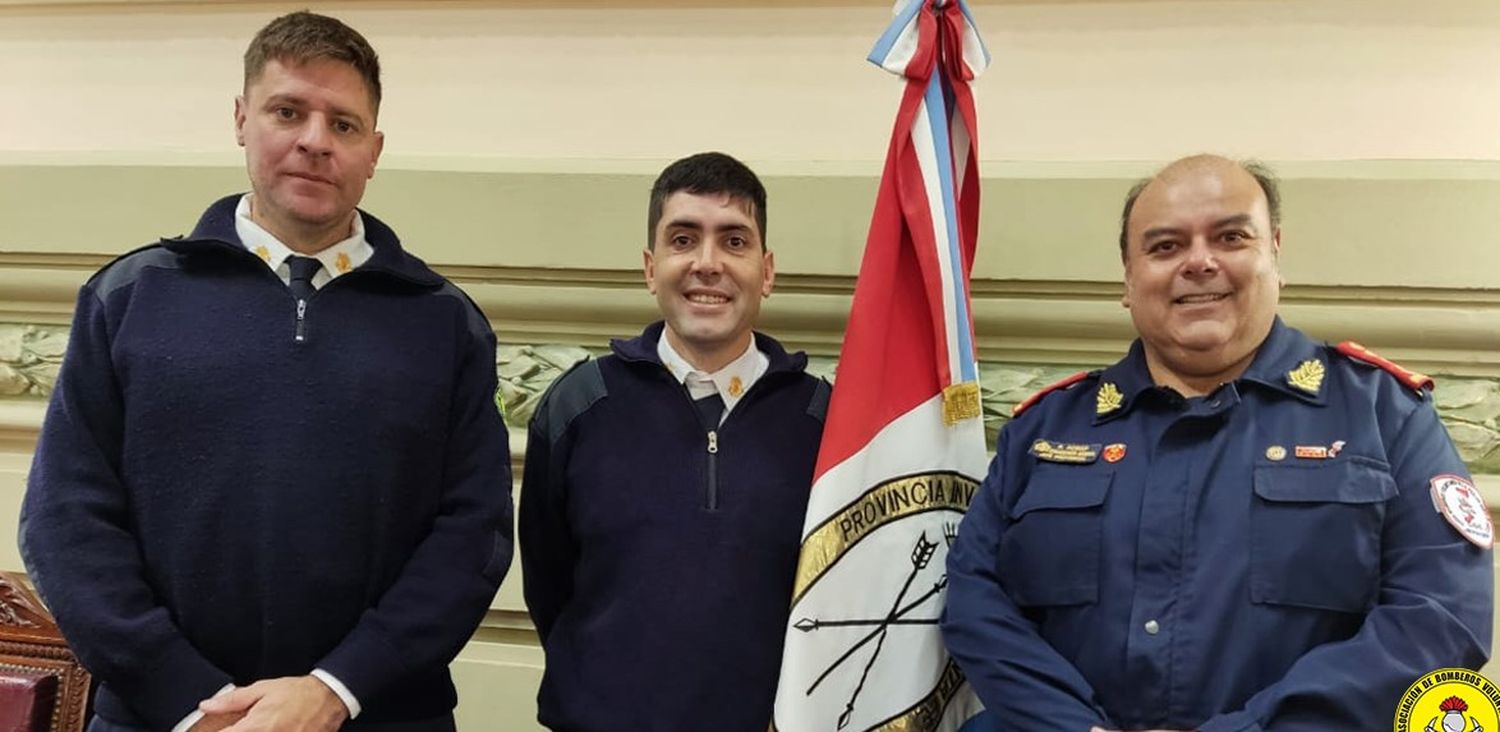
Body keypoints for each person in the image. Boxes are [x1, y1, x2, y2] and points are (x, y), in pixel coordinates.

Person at [19, 12, 512, 732]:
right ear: (243, 119)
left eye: (343, 125)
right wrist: (193, 702)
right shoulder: (130, 297)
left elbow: (472, 539)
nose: (315, 140)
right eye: (289, 111)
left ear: (374, 151)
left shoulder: (444, 323)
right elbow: (66, 522)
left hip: (376, 714)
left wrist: (334, 689)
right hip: (165, 720)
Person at [943, 154, 1493, 731]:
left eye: (1231, 237)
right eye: (1164, 247)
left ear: (1274, 255)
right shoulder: (1045, 429)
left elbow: (1440, 620)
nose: (1199, 262)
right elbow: (977, 603)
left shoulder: (1383, 414)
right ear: (1128, 280)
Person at [518, 152, 829, 731]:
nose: (706, 264)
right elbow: (550, 582)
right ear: (649, 266)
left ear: (766, 271)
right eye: (683, 239)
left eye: (733, 242)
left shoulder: (824, 420)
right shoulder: (580, 405)